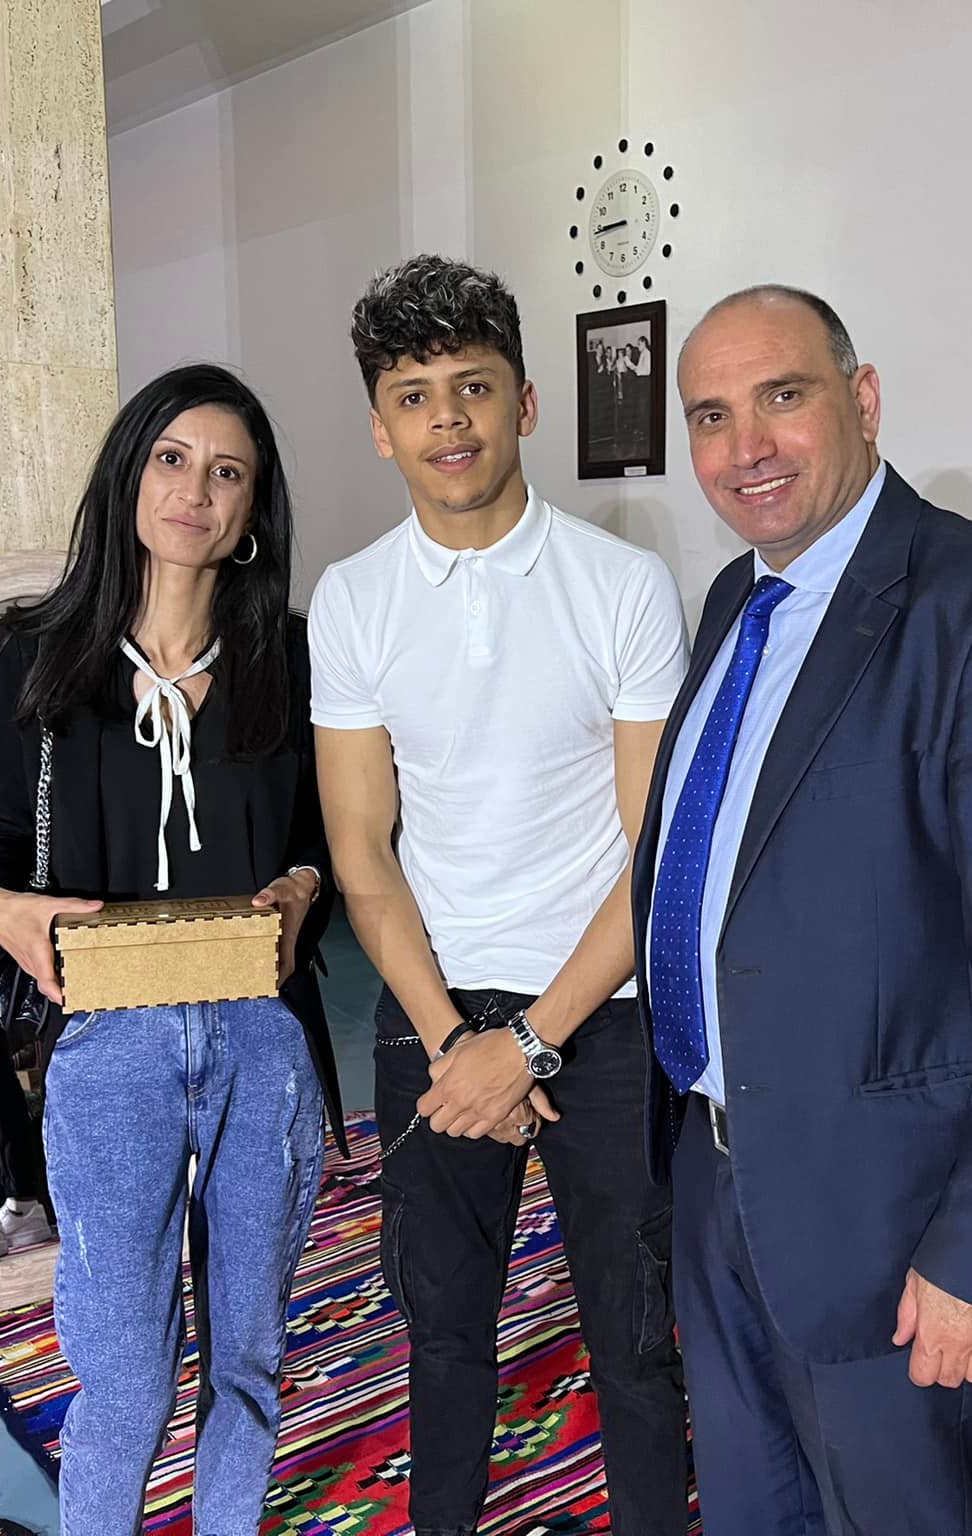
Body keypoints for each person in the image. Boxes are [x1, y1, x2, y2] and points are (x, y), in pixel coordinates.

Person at [634, 285, 972, 1535]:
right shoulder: (735, 603)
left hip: (885, 1213)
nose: (745, 445)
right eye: (709, 416)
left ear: (861, 399)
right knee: (753, 1508)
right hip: (716, 1171)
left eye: (781, 396)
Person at [310, 254, 691, 1536]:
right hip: (429, 1006)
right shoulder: (353, 600)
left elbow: (653, 853)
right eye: (413, 396)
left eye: (472, 387)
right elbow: (361, 850)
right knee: (440, 1328)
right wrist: (452, 1042)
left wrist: (526, 1043)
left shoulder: (621, 586)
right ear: (380, 427)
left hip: (604, 1012)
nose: (448, 421)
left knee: (635, 1333)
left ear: (524, 402)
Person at [0, 363, 344, 1534]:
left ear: (252, 509)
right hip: (108, 1037)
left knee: (246, 1362)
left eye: (227, 472)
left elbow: (327, 835)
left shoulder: (292, 655)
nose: (194, 491)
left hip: (260, 1038)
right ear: (129, 473)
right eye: (172, 459)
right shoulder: (37, 650)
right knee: (122, 1374)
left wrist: (304, 885)